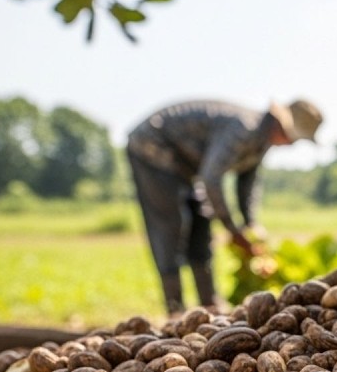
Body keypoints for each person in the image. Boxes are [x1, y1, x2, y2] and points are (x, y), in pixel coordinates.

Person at [126, 99, 323, 315]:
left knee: (202, 221)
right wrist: (232, 229)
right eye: (291, 139)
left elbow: (247, 183)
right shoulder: (244, 129)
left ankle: (209, 305)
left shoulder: (261, 142)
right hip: (153, 146)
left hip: (188, 164)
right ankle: (175, 308)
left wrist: (249, 225)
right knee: (170, 226)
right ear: (280, 127)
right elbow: (211, 179)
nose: (290, 145)